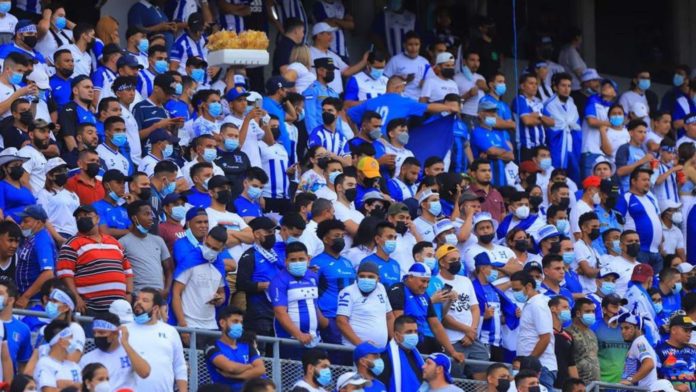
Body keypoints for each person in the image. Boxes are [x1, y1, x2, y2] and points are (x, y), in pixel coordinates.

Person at [56, 204, 133, 313]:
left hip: (119, 308)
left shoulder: (114, 242)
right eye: (78, 217)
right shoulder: (71, 244)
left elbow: (128, 272)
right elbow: (65, 275)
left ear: (97, 218)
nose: (82, 219)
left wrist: (128, 294)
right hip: (90, 308)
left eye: (86, 215)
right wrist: (76, 298)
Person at [270, 241, 328, 355]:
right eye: (293, 260)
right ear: (286, 261)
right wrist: (299, 335)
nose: (298, 263)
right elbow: (280, 312)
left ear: (308, 259)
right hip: (291, 340)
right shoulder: (279, 281)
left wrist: (324, 321)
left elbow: (313, 303)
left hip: (315, 339)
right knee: (294, 372)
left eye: (301, 259)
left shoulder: (313, 277)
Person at [126, 288, 188, 392]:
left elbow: (180, 365)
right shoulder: (124, 330)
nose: (138, 302)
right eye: (137, 299)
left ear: (155, 308)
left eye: (145, 300)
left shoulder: (170, 331)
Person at [78, 312, 150, 390]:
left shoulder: (130, 352)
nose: (97, 336)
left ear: (115, 333)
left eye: (101, 332)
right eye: (94, 333)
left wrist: (125, 343)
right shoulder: (87, 359)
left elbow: (145, 373)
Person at [511, 271, 557, 391]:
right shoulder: (531, 304)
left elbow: (545, 337)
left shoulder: (537, 305)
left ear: (529, 286)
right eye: (514, 290)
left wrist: (529, 364)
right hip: (535, 367)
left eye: (517, 289)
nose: (515, 293)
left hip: (541, 368)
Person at [204, 306, 266, 391]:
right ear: (222, 323)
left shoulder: (247, 346)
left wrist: (235, 375)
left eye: (241, 322)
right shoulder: (212, 346)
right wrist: (250, 366)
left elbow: (261, 369)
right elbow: (230, 367)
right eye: (235, 321)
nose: (239, 326)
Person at [615, 167, 663, 271]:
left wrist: (661, 242)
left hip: (656, 251)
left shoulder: (651, 198)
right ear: (633, 181)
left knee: (655, 284)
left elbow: (657, 220)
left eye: (649, 180)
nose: (648, 183)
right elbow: (617, 221)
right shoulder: (625, 198)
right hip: (638, 251)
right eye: (644, 180)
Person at [336, 261, 393, 348]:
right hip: (355, 349)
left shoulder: (381, 288)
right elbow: (341, 321)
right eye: (362, 276)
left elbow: (389, 317)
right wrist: (362, 346)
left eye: (371, 277)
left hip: (379, 351)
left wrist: (395, 343)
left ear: (378, 279)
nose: (366, 279)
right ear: (357, 277)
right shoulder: (347, 292)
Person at [119, 200, 172, 294]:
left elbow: (168, 269)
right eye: (146, 214)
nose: (151, 218)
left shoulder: (158, 240)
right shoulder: (122, 243)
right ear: (134, 218)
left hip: (159, 295)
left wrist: (167, 290)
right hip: (138, 297)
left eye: (151, 214)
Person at [15, 205, 56, 307]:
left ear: (38, 222)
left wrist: (26, 297)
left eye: (26, 221)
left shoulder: (42, 240)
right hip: (29, 298)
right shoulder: (32, 238)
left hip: (36, 300)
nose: (22, 224)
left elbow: (48, 273)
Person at [376, 315, 425, 392]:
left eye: (415, 331)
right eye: (409, 332)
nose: (414, 335)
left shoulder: (417, 357)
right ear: (396, 335)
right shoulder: (386, 358)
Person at [33, 319, 81, 391]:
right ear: (61, 341)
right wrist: (74, 385)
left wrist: (67, 384)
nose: (73, 341)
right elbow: (48, 390)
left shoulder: (74, 366)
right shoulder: (45, 363)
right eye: (70, 337)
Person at [618, 312, 658, 389]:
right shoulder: (641, 342)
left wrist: (630, 380)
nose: (623, 331)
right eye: (621, 328)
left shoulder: (639, 343)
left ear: (637, 328)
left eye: (627, 328)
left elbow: (649, 364)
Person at [0, 278, 32, 372]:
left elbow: (23, 364)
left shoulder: (23, 329)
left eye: (0, 293)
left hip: (7, 385)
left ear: (10, 300)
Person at [566, 298, 600, 385]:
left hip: (595, 384)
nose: (592, 314)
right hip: (578, 384)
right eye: (588, 311)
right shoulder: (568, 333)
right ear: (578, 313)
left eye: (593, 311)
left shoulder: (592, 333)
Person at [548, 295, 578, 389]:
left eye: (569, 308)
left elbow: (571, 363)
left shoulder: (568, 335)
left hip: (564, 385)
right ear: (553, 308)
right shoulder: (545, 333)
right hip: (548, 381)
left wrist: (577, 386)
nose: (568, 310)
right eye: (565, 307)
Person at [91, 169, 130, 239]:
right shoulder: (96, 207)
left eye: (124, 183)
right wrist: (129, 232)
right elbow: (104, 231)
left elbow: (136, 231)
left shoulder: (125, 210)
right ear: (106, 185)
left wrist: (131, 205)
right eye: (118, 182)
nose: (123, 186)